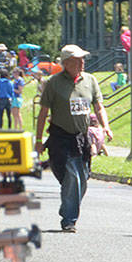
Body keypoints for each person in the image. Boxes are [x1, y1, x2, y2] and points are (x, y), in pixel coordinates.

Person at [35, 45, 110, 232]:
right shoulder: (54, 83)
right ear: (66, 63)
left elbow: (98, 107)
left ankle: (67, 207)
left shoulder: (90, 80)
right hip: (60, 137)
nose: (82, 63)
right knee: (72, 177)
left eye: (83, 59)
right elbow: (43, 112)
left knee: (82, 179)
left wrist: (105, 126)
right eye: (77, 60)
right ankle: (69, 219)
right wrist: (38, 140)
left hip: (82, 138)